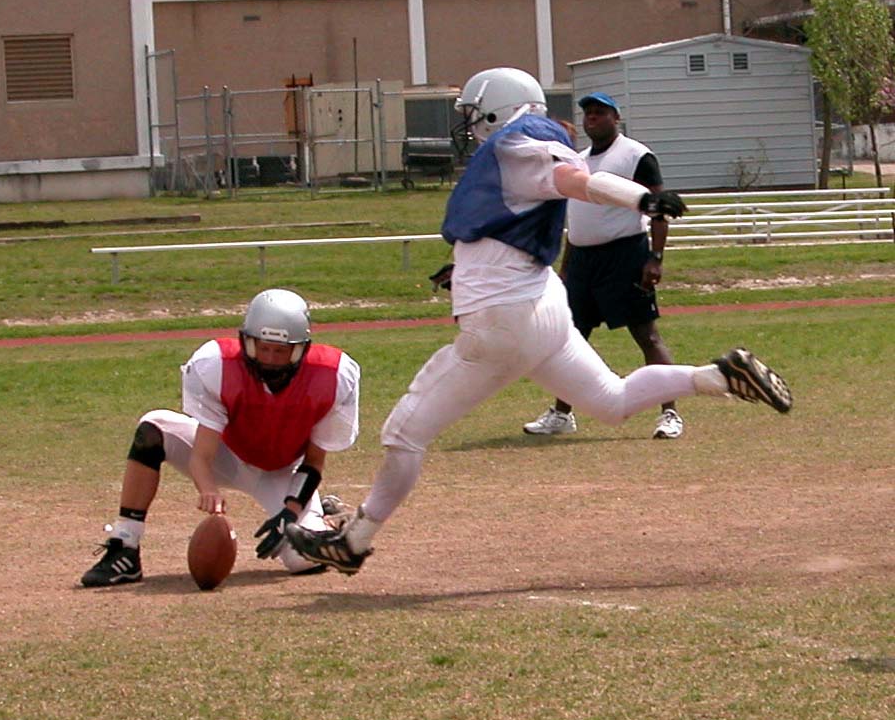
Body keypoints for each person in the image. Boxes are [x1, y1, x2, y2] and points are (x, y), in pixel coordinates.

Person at [284, 67, 792, 576]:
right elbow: (516, 218)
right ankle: (720, 376)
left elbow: (574, 181)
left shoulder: (521, 144)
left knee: (403, 434)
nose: (469, 124)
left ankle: (355, 541)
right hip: (541, 304)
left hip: (504, 321)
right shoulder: (523, 148)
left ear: (497, 107)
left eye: (473, 112)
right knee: (612, 401)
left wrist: (640, 198)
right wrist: (464, 265)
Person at [80, 288, 360, 587]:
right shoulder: (216, 364)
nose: (269, 359)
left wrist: (290, 512)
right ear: (246, 341)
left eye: (281, 351)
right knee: (153, 428)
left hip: (283, 471)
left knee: (303, 560)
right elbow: (201, 455)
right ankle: (125, 547)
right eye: (262, 348)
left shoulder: (333, 376)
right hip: (228, 455)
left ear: (301, 348)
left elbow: (314, 462)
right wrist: (208, 490)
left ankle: (326, 522)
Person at [524, 92, 684, 439]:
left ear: (616, 118)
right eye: (588, 113)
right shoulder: (577, 161)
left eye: (600, 112)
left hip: (624, 255)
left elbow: (658, 208)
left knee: (646, 336)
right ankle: (562, 414)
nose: (591, 118)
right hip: (583, 260)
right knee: (569, 339)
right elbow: (575, 219)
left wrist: (655, 257)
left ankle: (670, 413)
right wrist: (566, 268)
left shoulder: (635, 155)